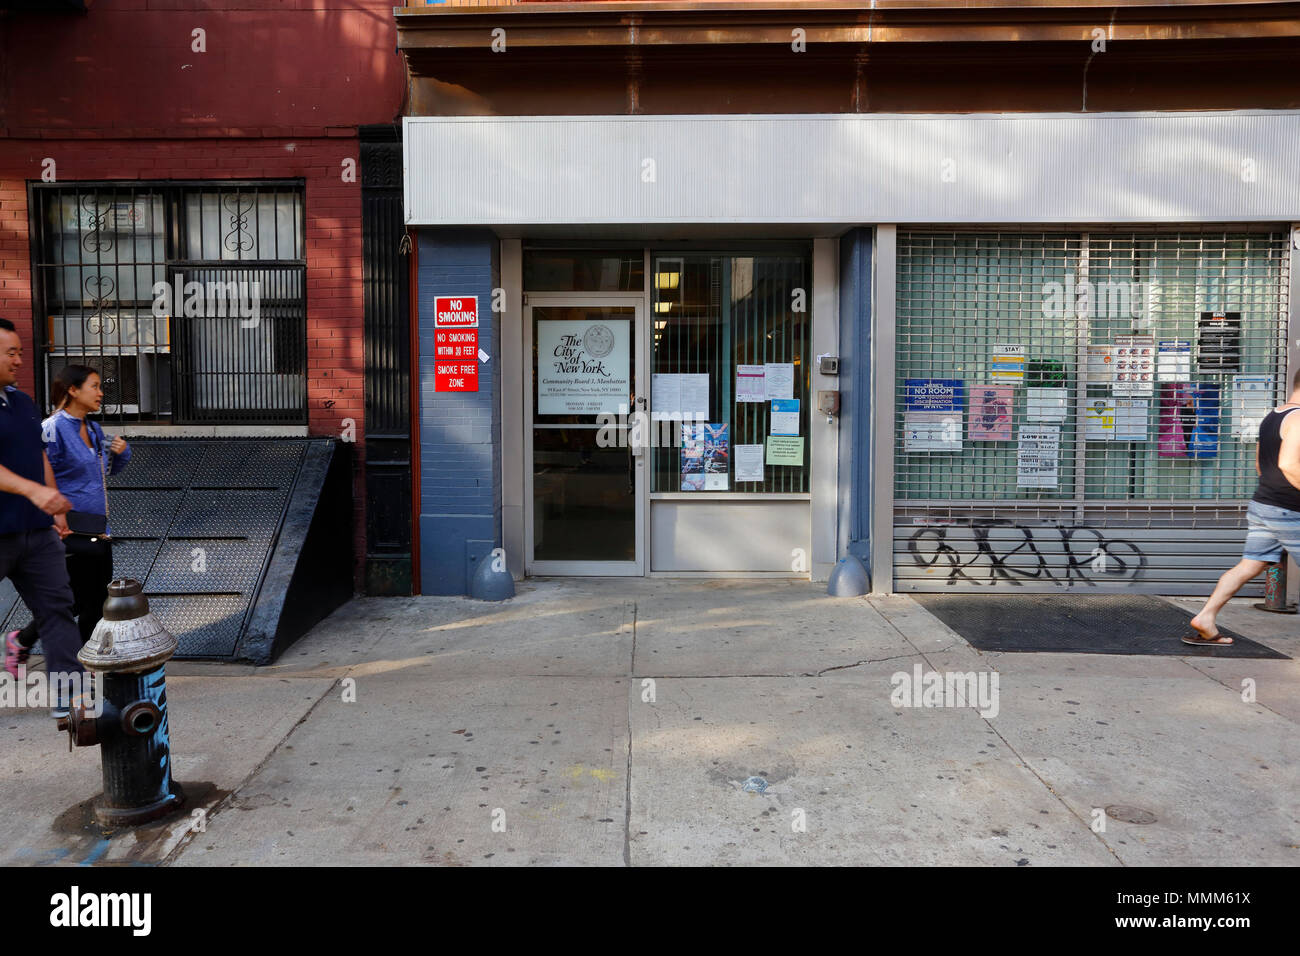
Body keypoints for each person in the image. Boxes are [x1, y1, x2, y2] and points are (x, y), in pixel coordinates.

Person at [10, 365, 131, 652]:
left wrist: (123, 452)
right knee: (72, 601)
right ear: (72, 390)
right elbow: (35, 471)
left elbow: (106, 471)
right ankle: (41, 649)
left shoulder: (93, 427)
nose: (101, 392)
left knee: (96, 602)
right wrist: (49, 517)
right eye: (94, 386)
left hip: (97, 528)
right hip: (67, 529)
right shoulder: (52, 429)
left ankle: (38, 647)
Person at [0, 318, 85, 718]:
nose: (19, 360)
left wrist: (54, 507)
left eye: (19, 351)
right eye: (10, 352)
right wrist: (34, 492)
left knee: (58, 609)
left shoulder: (21, 402)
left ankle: (68, 696)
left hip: (36, 531)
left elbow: (38, 457)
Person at [1187, 369, 1300, 645]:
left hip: (1264, 504)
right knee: (1249, 565)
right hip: (1289, 509)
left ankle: (1206, 617)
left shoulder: (1274, 415)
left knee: (1249, 565)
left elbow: (1260, 464)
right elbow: (1288, 464)